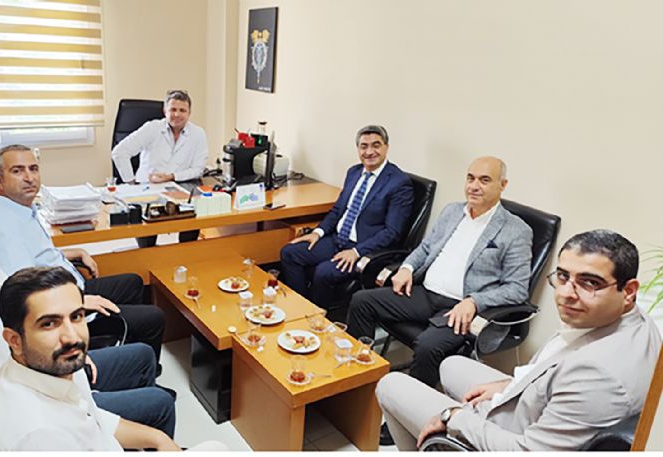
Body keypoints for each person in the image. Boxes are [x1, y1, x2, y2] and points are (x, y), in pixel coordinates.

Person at [0, 169, 176, 437]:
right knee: (159, 404)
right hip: (37, 402)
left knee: (142, 357)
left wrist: (65, 347)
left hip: (42, 370)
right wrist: (12, 418)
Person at [376, 229, 662, 451]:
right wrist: (508, 386)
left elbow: (526, 450)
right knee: (451, 364)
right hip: (536, 403)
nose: (566, 294)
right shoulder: (636, 320)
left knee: (391, 384)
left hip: (514, 435)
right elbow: (555, 369)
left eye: (590, 283)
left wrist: (454, 417)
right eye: (563, 277)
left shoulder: (597, 375)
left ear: (628, 291)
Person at [0, 266, 226, 451]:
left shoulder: (56, 370)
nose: (71, 336)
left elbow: (92, 419)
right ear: (14, 340)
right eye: (49, 324)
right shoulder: (39, 435)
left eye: (76, 317)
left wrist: (158, 439)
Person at [347, 156, 533, 389]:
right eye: (470, 178)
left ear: (502, 185)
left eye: (484, 180)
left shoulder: (516, 230)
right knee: (362, 301)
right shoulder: (452, 211)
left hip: (459, 308)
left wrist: (474, 301)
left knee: (428, 346)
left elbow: (517, 289)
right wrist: (406, 268)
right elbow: (425, 248)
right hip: (425, 294)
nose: (474, 186)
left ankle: (410, 406)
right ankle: (358, 382)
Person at [0, 144, 166, 366]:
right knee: (153, 317)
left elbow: (36, 254)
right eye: (17, 171)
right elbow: (24, 293)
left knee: (133, 283)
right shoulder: (2, 227)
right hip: (60, 307)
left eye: (33, 169)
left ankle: (119, 347)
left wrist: (74, 253)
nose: (29, 177)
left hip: (67, 286)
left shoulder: (18, 209)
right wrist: (78, 303)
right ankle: (137, 367)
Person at [279, 125, 414, 308]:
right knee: (289, 252)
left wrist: (356, 252)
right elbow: (338, 210)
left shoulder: (399, 183)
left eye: (376, 145)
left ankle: (318, 317)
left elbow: (392, 232)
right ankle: (301, 307)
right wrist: (317, 233)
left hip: (364, 248)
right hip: (338, 239)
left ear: (386, 147)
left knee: (323, 272)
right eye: (364, 146)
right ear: (358, 149)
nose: (369, 152)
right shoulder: (354, 172)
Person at [110, 89, 206, 247]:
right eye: (173, 109)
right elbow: (119, 152)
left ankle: (186, 255)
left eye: (182, 110)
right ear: (165, 111)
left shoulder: (198, 134)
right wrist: (131, 183)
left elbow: (198, 169)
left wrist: (172, 176)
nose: (177, 114)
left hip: (180, 189)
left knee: (190, 235)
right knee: (147, 245)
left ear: (189, 113)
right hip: (148, 190)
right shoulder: (152, 128)